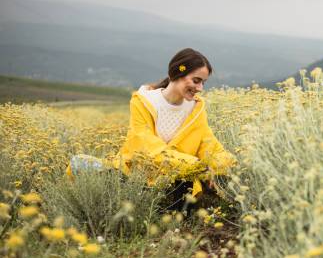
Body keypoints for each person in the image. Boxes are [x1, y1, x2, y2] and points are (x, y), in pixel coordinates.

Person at [67, 48, 236, 208]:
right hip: (136, 176)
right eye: (196, 80)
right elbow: (144, 145)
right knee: (79, 163)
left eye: (203, 83)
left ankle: (159, 209)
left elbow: (210, 146)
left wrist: (217, 166)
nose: (200, 88)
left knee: (186, 184)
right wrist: (196, 166)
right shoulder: (143, 102)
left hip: (177, 181)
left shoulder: (197, 110)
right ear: (177, 73)